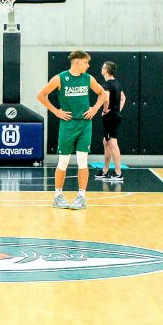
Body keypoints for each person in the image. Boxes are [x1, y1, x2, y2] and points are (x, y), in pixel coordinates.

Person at [37, 50, 106, 210]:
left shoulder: (88, 79)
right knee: (63, 162)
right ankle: (57, 196)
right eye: (86, 62)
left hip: (84, 125)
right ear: (76, 61)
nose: (88, 66)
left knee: (83, 161)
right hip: (67, 125)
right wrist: (56, 111)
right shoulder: (60, 78)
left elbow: (102, 94)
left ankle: (81, 197)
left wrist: (95, 108)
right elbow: (41, 95)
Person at [95, 61, 126, 181]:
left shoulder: (106, 85)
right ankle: (105, 170)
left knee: (112, 143)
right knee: (106, 142)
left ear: (106, 70)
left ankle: (118, 173)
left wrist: (105, 110)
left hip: (109, 117)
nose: (101, 69)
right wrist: (117, 110)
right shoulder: (117, 83)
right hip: (115, 115)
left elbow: (106, 98)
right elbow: (123, 98)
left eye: (103, 67)